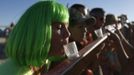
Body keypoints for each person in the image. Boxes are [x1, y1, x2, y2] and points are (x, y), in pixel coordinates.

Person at [0, 1, 70, 75]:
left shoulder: (43, 60)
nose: (68, 34)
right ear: (36, 31)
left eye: (67, 27)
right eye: (59, 27)